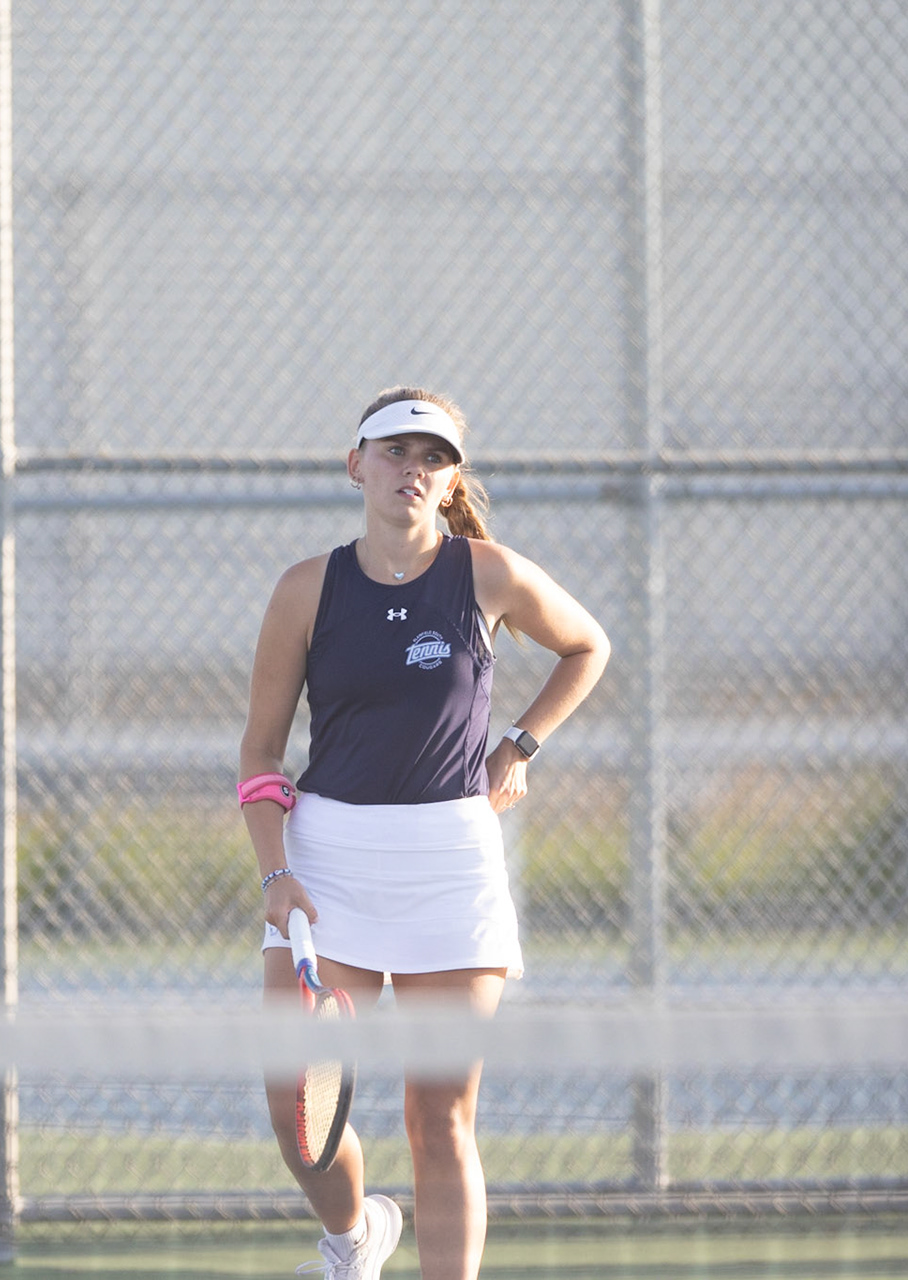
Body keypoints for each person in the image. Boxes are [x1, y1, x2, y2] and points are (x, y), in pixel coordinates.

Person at [238, 387, 611, 1280]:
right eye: (396, 451)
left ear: (451, 482)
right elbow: (260, 754)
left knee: (439, 1118)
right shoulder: (305, 588)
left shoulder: (488, 573)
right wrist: (275, 875)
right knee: (296, 1107)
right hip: (326, 865)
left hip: (450, 864)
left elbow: (587, 646)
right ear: (356, 465)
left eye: (434, 457)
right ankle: (353, 1240)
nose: (414, 469)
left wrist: (520, 744)